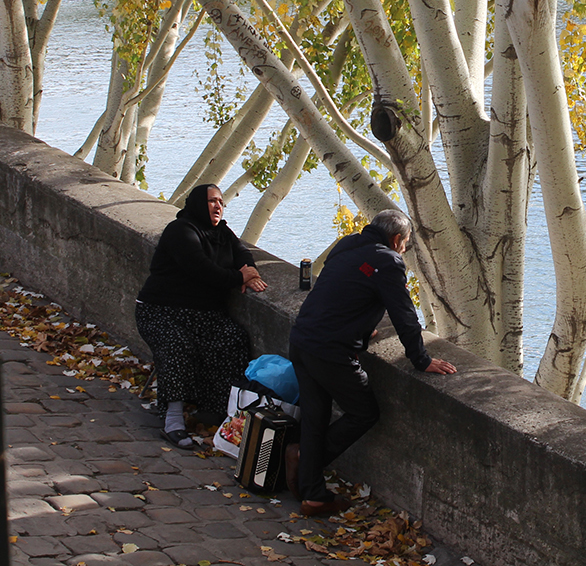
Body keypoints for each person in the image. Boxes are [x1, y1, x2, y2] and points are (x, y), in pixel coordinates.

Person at [288, 208, 456, 516]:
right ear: (396, 240)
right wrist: (421, 359)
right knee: (363, 412)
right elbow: (404, 315)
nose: (404, 249)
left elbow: (342, 291)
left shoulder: (346, 244)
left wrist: (361, 325)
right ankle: (304, 465)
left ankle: (312, 493)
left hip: (302, 339)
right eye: (405, 244)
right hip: (330, 351)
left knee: (315, 416)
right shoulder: (388, 261)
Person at [134, 183, 267, 447]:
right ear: (197, 204)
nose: (217, 206)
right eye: (211, 201)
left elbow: (242, 253)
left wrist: (250, 270)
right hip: (161, 311)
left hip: (203, 314)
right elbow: (203, 270)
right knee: (176, 344)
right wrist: (239, 276)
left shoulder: (222, 232)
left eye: (220, 202)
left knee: (232, 338)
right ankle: (172, 420)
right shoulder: (180, 231)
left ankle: (216, 408)